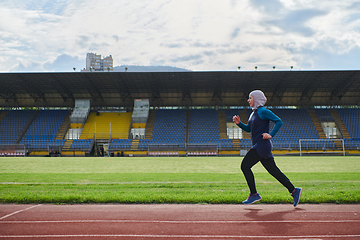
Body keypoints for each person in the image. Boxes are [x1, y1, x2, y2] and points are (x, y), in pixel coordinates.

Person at [233, 90, 302, 206]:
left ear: (257, 99)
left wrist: (271, 134)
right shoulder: (253, 114)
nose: (248, 100)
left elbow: (278, 121)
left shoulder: (263, 111)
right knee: (274, 171)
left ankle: (254, 194)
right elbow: (249, 129)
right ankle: (294, 190)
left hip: (262, 145)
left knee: (245, 166)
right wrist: (239, 123)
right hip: (260, 146)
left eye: (250, 98)